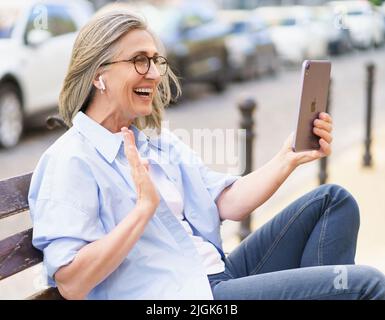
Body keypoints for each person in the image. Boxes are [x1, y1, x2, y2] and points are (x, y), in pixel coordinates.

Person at [28, 9, 385, 300]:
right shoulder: (71, 160)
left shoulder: (155, 142)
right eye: (139, 60)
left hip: (216, 274)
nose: (153, 73)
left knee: (333, 201)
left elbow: (226, 202)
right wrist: (141, 212)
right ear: (98, 74)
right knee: (366, 285)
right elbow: (72, 283)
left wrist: (288, 156)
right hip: (184, 297)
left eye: (155, 60)